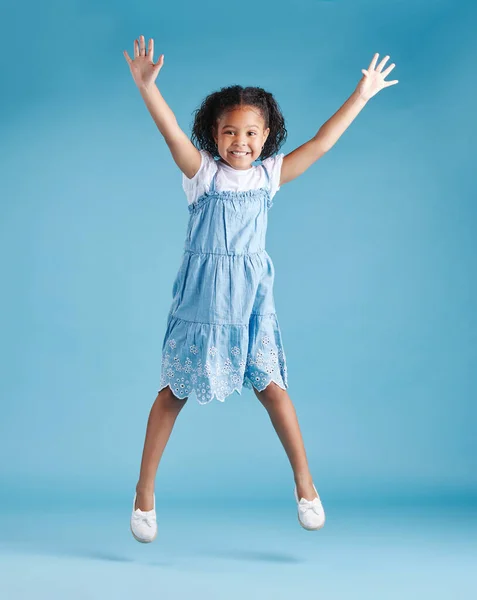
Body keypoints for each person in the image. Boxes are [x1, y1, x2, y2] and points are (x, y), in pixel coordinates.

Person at [124, 35, 398, 543]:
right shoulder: (202, 175)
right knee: (172, 393)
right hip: (203, 303)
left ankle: (306, 485)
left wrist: (360, 96)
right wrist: (147, 88)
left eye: (251, 132)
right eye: (229, 132)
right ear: (213, 133)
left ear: (267, 135)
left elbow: (320, 143)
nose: (240, 142)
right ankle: (144, 493)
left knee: (272, 389)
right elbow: (170, 137)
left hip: (251, 303)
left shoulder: (269, 177)